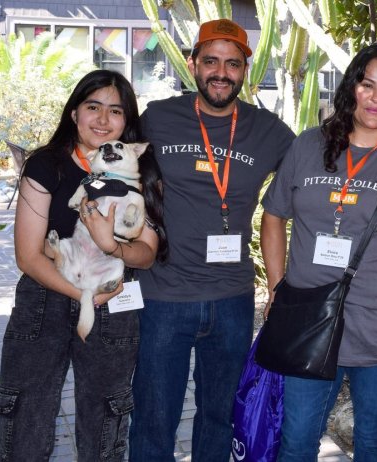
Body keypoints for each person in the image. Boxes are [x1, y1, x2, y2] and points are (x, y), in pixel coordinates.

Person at [260, 44, 377, 462]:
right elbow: (273, 216)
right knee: (297, 438)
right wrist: (275, 288)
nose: (376, 98)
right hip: (309, 321)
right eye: (367, 84)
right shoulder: (308, 146)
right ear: (351, 88)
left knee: (374, 438)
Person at [128, 19, 295, 461]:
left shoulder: (271, 131)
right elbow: (106, 155)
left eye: (232, 63)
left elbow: (317, 177)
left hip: (232, 300)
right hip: (163, 297)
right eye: (211, 61)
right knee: (152, 418)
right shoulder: (158, 119)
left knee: (221, 419)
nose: (221, 72)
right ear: (192, 64)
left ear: (246, 69)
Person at [0, 69, 168, 461]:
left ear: (127, 121)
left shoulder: (141, 169)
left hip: (112, 301)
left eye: (115, 111)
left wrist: (115, 248)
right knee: (24, 418)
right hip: (45, 299)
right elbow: (28, 255)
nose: (103, 120)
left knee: (105, 421)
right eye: (93, 107)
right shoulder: (46, 165)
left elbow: (147, 252)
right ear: (74, 113)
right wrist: (82, 295)